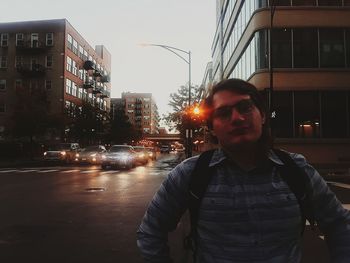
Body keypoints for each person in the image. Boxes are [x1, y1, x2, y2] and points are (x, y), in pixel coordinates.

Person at [137, 78, 350, 262]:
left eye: (245, 108)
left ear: (263, 116)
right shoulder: (190, 173)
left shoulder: (297, 169)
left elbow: (339, 225)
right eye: (223, 113)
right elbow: (151, 230)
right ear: (211, 128)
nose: (237, 118)